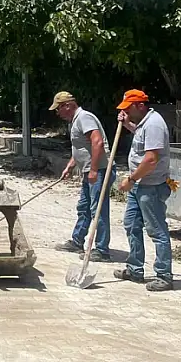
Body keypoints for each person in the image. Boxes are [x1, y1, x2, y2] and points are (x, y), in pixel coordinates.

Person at [113, 89, 174, 291]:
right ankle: (135, 268)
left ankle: (164, 275)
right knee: (131, 225)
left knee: (156, 230)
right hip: (139, 186)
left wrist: (130, 179)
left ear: (140, 105)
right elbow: (141, 139)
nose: (127, 112)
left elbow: (150, 159)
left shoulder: (155, 124)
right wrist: (127, 124)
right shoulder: (144, 123)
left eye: (129, 109)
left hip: (151, 187)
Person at [50, 91, 112, 262]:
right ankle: (77, 240)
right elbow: (81, 148)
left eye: (59, 109)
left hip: (99, 171)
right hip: (89, 170)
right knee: (83, 207)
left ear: (67, 105)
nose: (58, 113)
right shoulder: (75, 121)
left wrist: (93, 170)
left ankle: (102, 250)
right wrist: (70, 166)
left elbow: (97, 142)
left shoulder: (85, 118)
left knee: (97, 210)